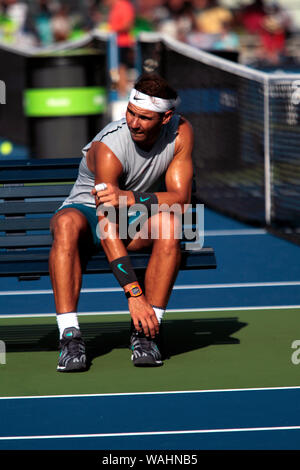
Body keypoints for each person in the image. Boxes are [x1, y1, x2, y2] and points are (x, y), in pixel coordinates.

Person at [49, 72, 194, 372]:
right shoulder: (109, 148)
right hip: (88, 212)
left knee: (171, 225)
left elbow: (181, 199)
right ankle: (69, 334)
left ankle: (147, 331)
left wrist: (132, 198)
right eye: (130, 112)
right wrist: (134, 294)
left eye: (144, 117)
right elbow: (106, 225)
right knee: (65, 225)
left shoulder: (181, 133)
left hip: (132, 210)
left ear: (166, 118)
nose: (134, 122)